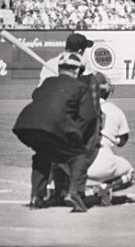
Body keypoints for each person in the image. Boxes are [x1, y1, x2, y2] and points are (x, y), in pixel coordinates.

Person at [12, 52, 98, 212]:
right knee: (80, 155)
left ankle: (36, 196)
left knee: (43, 154)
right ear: (76, 71)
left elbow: (36, 95)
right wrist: (76, 135)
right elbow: (89, 116)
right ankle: (75, 192)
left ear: (60, 69)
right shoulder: (81, 87)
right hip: (55, 126)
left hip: (25, 125)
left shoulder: (47, 82)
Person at [85, 73, 135, 206]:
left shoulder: (78, 107)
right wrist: (113, 139)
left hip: (77, 164)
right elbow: (123, 141)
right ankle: (106, 187)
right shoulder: (115, 110)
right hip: (103, 161)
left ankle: (57, 191)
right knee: (131, 174)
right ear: (106, 90)